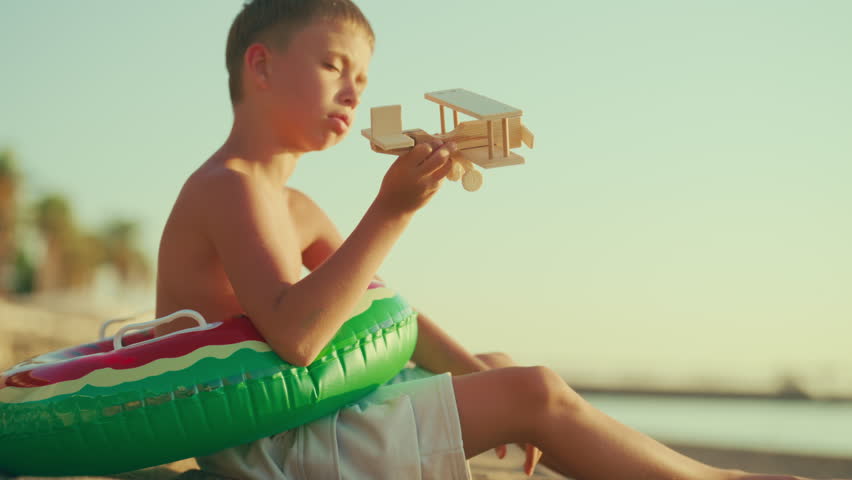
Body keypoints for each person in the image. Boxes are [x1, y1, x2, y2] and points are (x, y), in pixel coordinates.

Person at [154, 1, 819, 479]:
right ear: (261, 67)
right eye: (334, 65)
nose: (354, 91)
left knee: (500, 369)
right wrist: (393, 211)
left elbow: (396, 321)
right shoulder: (229, 186)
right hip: (270, 448)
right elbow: (297, 337)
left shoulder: (295, 205)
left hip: (310, 420)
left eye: (363, 78)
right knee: (531, 390)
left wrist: (489, 386)